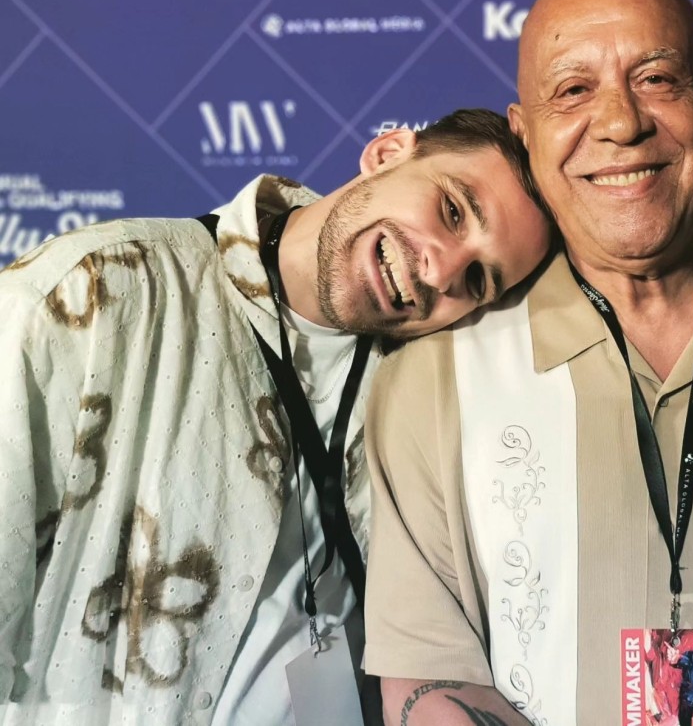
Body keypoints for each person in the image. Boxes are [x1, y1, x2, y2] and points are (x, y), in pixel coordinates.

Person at [363, 0, 693, 725]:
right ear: (524, 135)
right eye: (572, 90)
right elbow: (428, 682)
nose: (619, 122)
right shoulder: (432, 377)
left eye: (657, 79)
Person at [0, 108, 553, 725]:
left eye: (477, 280)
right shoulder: (93, 291)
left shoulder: (433, 388)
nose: (442, 271)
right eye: (451, 210)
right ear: (387, 153)